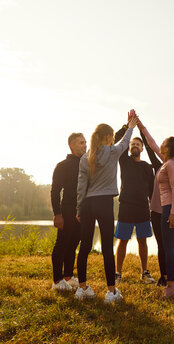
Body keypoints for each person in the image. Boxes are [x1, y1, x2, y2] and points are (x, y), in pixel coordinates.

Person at [74, 110, 138, 302]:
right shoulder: (112, 151)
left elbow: (81, 186)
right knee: (107, 249)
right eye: (111, 137)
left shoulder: (85, 157)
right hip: (103, 203)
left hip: (87, 204)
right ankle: (111, 292)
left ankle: (82, 288)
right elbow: (125, 142)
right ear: (109, 137)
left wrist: (79, 208)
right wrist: (130, 127)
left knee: (84, 246)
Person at [140, 123, 174, 298]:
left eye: (163, 143)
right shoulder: (168, 161)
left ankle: (170, 285)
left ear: (167, 149)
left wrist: (173, 213)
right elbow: (152, 144)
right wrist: (140, 126)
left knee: (169, 247)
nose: (160, 144)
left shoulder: (169, 165)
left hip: (170, 208)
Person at [113, 125, 156, 285]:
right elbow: (115, 139)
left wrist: (153, 209)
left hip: (143, 209)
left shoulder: (147, 167)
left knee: (142, 240)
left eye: (138, 144)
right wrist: (127, 126)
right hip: (126, 208)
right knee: (122, 240)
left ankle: (144, 273)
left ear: (142, 149)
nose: (135, 146)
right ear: (129, 148)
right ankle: (117, 274)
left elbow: (152, 192)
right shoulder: (124, 160)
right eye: (132, 145)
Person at [50, 132, 86, 291]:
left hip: (82, 211)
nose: (84, 145)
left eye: (85, 142)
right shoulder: (62, 165)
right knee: (62, 244)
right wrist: (57, 214)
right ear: (71, 145)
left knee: (73, 244)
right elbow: (55, 191)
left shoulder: (86, 164)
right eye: (80, 143)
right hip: (66, 210)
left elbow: (106, 143)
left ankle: (68, 277)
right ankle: (57, 281)